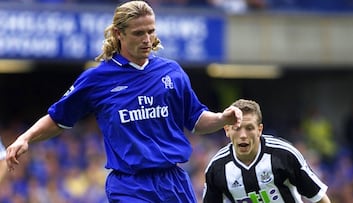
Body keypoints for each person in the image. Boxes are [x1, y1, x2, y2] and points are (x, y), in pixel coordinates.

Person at [6, 1, 242, 203]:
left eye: (151, 31)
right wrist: (26, 138)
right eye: (139, 33)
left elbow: (195, 120)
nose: (147, 39)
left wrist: (222, 118)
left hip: (174, 182)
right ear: (119, 34)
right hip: (130, 186)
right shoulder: (97, 79)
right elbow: (58, 119)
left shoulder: (172, 72)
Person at [203, 99, 331, 203]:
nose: (243, 135)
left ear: (259, 130)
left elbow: (319, 197)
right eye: (237, 128)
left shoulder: (284, 155)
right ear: (227, 130)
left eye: (249, 128)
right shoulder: (216, 168)